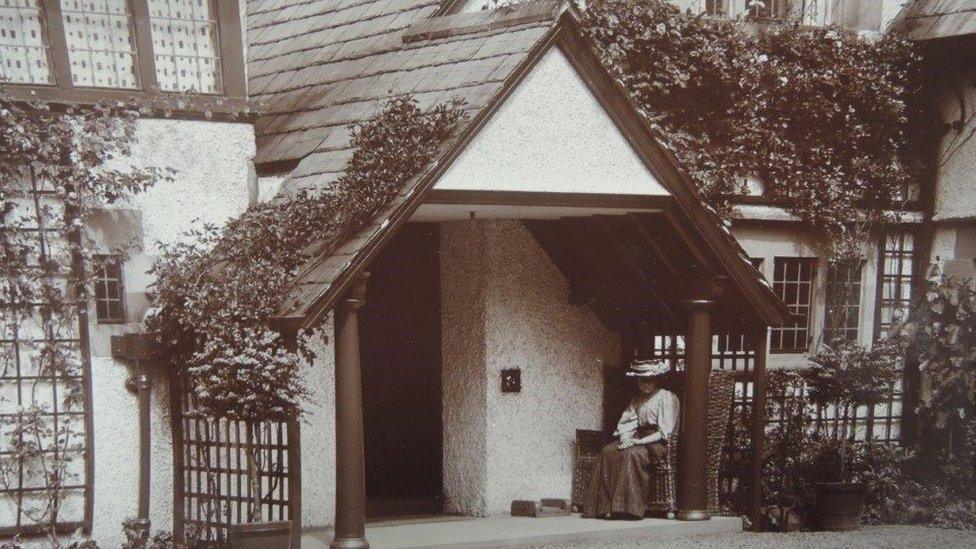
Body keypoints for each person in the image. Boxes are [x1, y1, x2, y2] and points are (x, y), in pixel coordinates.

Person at [583, 359, 680, 519]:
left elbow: (666, 431)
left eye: (650, 380)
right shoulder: (637, 399)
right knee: (608, 451)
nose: (646, 384)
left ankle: (629, 508)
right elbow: (628, 423)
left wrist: (639, 442)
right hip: (638, 437)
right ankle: (604, 507)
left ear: (657, 380)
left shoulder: (667, 397)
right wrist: (625, 439)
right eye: (642, 380)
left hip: (657, 443)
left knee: (631, 454)